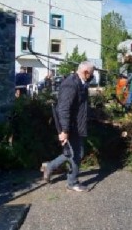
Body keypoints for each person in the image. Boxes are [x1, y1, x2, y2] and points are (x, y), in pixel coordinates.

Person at [40, 61, 94, 192]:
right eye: (91, 73)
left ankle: (50, 166)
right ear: (86, 72)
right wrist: (64, 130)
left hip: (77, 125)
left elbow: (80, 104)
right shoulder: (70, 84)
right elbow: (63, 109)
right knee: (76, 154)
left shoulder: (81, 83)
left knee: (71, 153)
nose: (92, 76)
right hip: (70, 126)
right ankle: (72, 182)